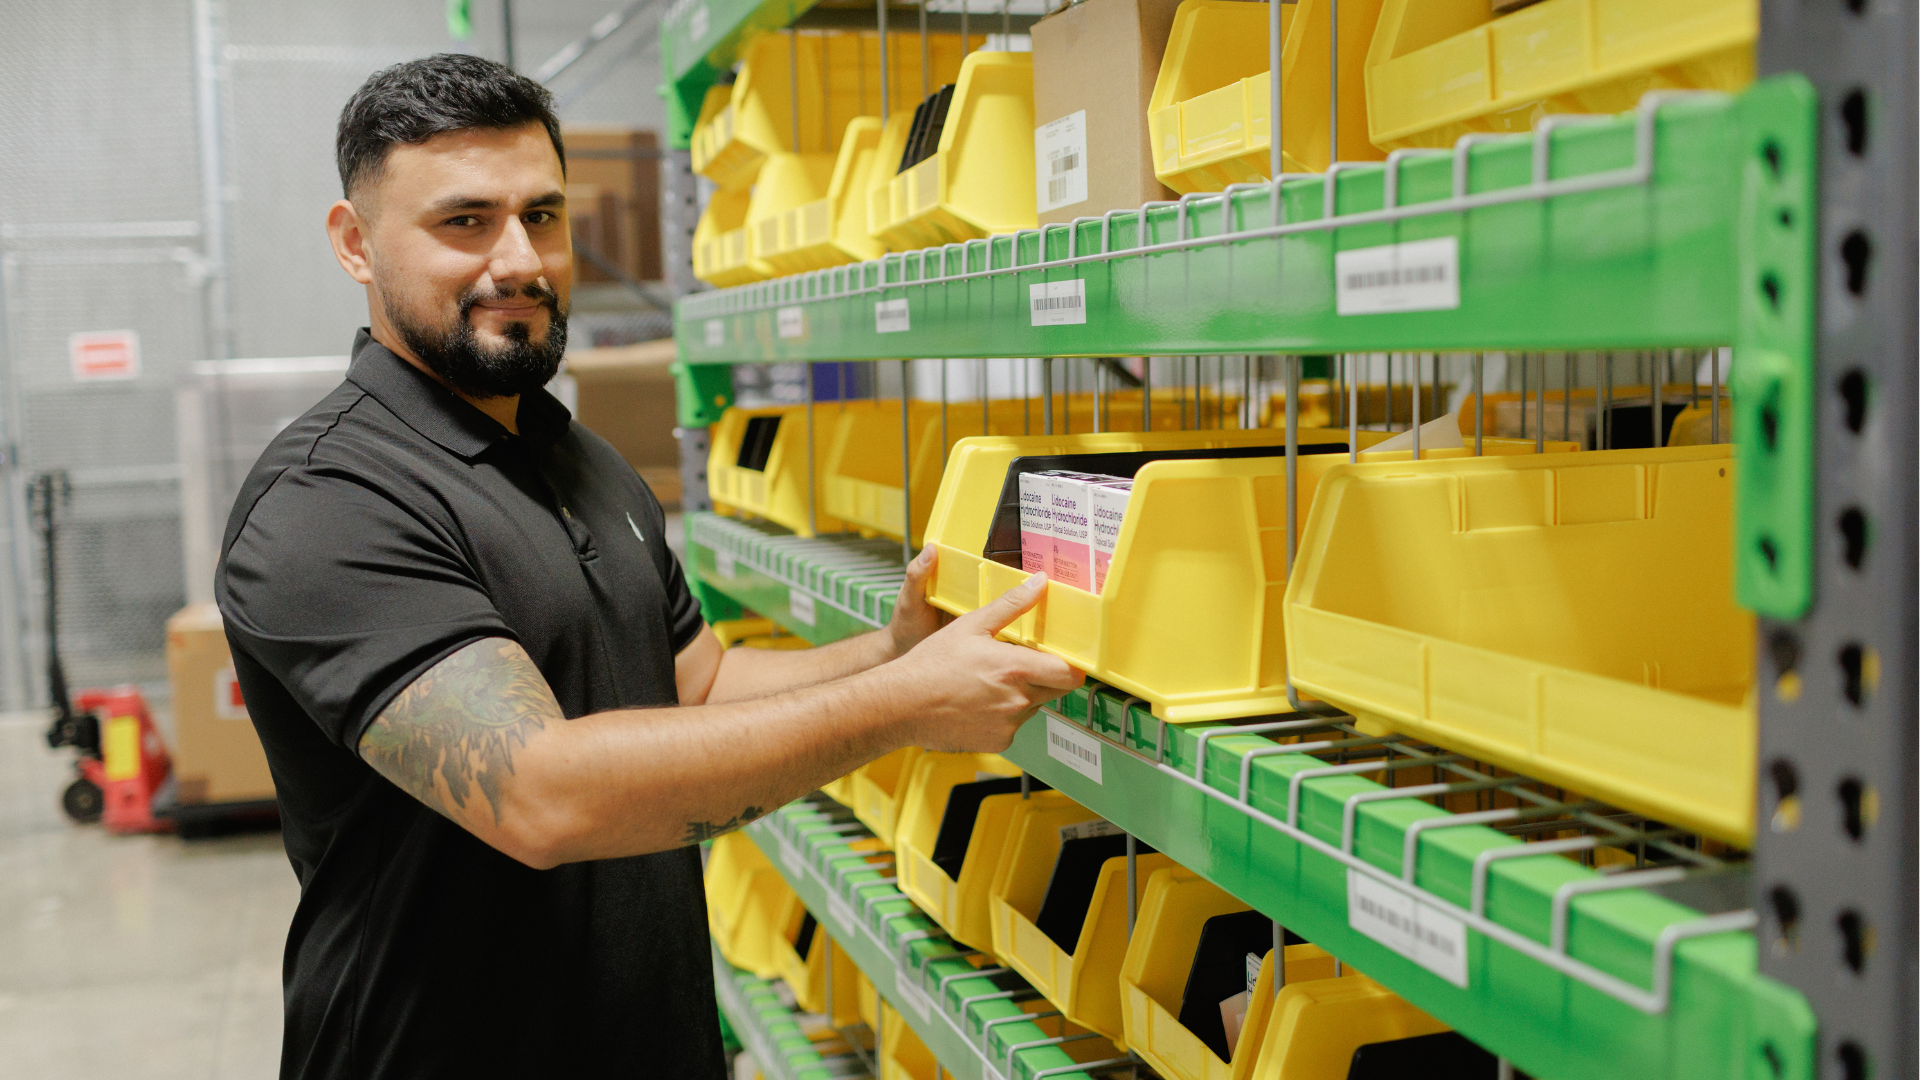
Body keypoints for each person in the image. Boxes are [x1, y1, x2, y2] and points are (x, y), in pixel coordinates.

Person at [215, 53, 1080, 1080]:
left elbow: (694, 684)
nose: (518, 259)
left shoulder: (581, 460)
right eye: (464, 223)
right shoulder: (330, 501)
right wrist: (899, 708)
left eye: (542, 215)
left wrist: (888, 653)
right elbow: (539, 794)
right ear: (356, 245)